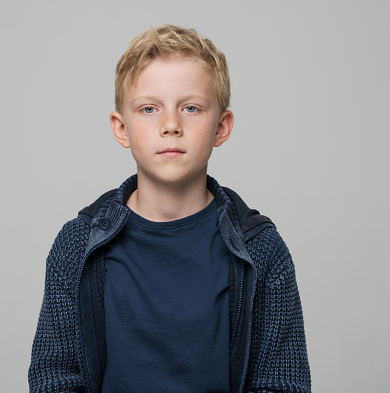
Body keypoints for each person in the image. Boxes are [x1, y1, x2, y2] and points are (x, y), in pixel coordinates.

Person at [28, 24, 311, 393]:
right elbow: (54, 380)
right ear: (121, 128)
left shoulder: (261, 250)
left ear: (221, 127)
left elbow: (282, 384)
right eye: (149, 108)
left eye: (191, 108)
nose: (171, 125)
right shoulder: (78, 246)